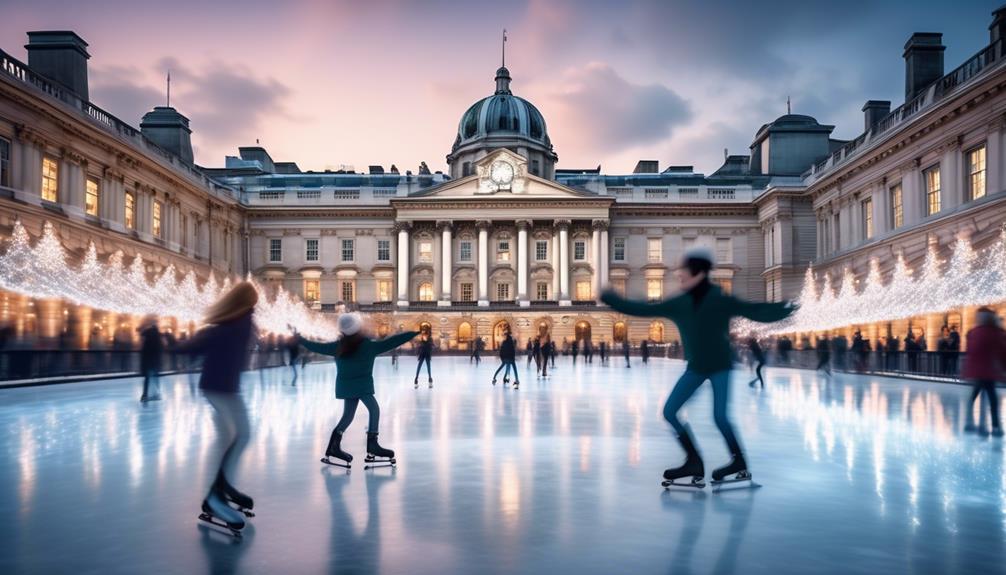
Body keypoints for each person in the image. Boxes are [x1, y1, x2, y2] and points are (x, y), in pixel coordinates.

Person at [601, 246, 795, 487]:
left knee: (720, 417)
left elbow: (754, 310)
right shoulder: (679, 303)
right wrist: (612, 299)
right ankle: (693, 460)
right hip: (696, 367)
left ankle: (739, 462)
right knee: (670, 412)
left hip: (720, 365)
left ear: (698, 273)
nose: (678, 274)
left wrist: (784, 309)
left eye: (683, 270)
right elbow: (643, 309)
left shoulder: (719, 300)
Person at [175, 282, 259, 535]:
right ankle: (215, 496)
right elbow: (196, 345)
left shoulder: (233, 323)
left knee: (231, 438)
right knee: (240, 436)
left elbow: (194, 345)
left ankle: (222, 487)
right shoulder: (235, 324)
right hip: (220, 387)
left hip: (223, 386)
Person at [298, 314, 419, 468]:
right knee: (374, 410)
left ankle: (333, 448)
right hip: (362, 386)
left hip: (346, 386)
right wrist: (413, 333)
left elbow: (316, 346)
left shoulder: (338, 347)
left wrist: (300, 338)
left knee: (348, 416)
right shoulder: (368, 346)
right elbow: (392, 341)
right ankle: (372, 446)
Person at [962, 308, 1005, 436]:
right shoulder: (994, 332)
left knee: (976, 396)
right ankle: (993, 426)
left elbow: (970, 351)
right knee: (991, 398)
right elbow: (1002, 351)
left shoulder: (974, 332)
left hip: (977, 371)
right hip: (987, 370)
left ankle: (972, 423)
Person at [138, 316, 163, 402]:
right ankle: (156, 394)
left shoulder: (147, 337)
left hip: (148, 360)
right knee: (155, 377)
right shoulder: (157, 336)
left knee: (147, 378)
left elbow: (144, 350)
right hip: (154, 360)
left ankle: (145, 395)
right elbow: (160, 349)